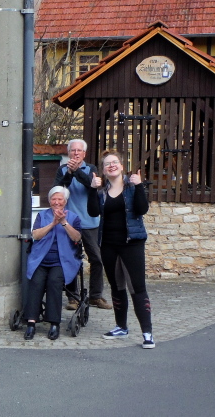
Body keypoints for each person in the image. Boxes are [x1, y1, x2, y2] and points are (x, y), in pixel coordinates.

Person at [88, 150, 155, 349]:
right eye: (107, 163)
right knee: (117, 287)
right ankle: (121, 327)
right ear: (103, 170)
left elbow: (142, 209)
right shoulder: (101, 191)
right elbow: (93, 212)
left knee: (137, 288)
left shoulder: (132, 186)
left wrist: (139, 185)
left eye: (115, 162)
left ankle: (147, 333)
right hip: (108, 245)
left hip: (131, 244)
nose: (112, 165)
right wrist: (92, 189)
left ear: (122, 166)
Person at [55, 139, 111, 311]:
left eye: (79, 150)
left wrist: (76, 171)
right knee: (70, 259)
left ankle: (95, 296)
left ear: (84, 154)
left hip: (90, 222)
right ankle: (73, 297)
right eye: (73, 150)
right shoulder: (62, 170)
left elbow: (90, 185)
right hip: (69, 223)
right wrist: (69, 172)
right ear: (68, 153)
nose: (76, 153)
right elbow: (58, 190)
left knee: (97, 259)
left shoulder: (91, 169)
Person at [24, 186, 82, 341]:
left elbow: (77, 238)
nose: (56, 202)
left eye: (60, 199)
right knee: (36, 282)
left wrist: (63, 222)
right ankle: (31, 322)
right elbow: (36, 235)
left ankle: (54, 323)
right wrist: (52, 224)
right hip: (41, 259)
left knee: (54, 282)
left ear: (65, 201)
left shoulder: (73, 217)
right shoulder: (42, 215)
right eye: (53, 199)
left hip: (62, 261)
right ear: (49, 201)